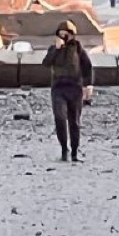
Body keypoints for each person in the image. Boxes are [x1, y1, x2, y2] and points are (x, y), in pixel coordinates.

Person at [42, 20, 93, 163]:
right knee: (59, 118)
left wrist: (88, 85)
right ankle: (64, 149)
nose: (63, 36)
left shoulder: (78, 48)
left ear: (72, 35)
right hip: (58, 88)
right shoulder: (54, 49)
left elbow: (87, 67)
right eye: (61, 33)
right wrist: (56, 49)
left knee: (74, 122)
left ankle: (75, 152)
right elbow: (46, 63)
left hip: (75, 88)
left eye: (66, 34)